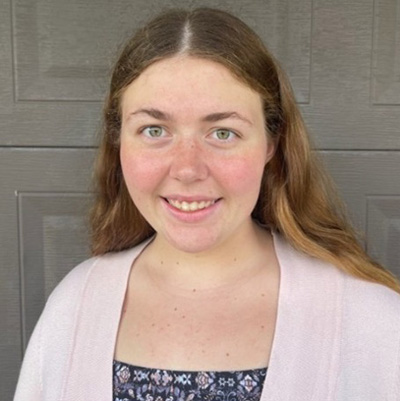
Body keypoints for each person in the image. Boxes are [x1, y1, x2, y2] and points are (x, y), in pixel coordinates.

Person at [14, 7, 400, 401]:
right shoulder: (74, 305)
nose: (187, 169)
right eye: (154, 130)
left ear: (271, 143)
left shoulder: (372, 321)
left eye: (222, 132)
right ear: (118, 142)